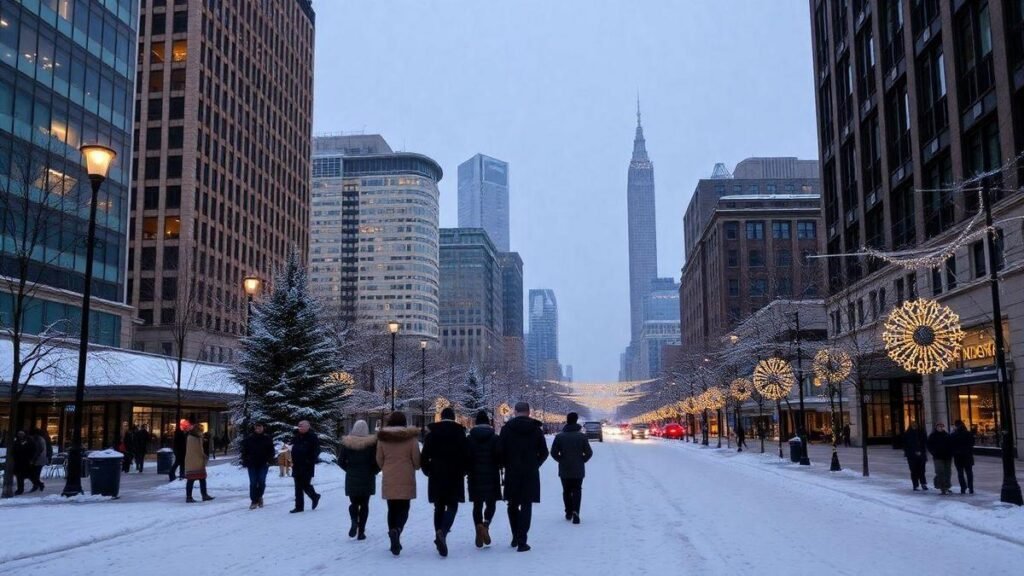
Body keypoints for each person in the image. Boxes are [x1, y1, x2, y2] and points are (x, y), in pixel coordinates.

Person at [499, 401, 548, 552]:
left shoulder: (507, 429)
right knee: (526, 504)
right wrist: (535, 463)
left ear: (514, 412)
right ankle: (522, 539)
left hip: (512, 471)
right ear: (529, 412)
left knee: (512, 504)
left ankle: (515, 534)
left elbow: (500, 451)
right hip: (530, 472)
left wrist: (506, 464)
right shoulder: (536, 429)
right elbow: (544, 452)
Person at [421, 407, 469, 557]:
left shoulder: (432, 433)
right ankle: (443, 531)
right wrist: (464, 471)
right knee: (452, 505)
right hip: (455, 474)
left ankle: (438, 533)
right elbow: (467, 454)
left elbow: (424, 456)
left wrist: (427, 470)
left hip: (436, 473)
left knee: (439, 506)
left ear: (441, 417)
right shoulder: (460, 433)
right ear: (454, 418)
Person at [376, 411, 421, 556]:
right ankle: (398, 530)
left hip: (389, 476)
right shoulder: (411, 439)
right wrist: (415, 466)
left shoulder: (383, 438)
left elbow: (379, 459)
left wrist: (386, 467)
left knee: (392, 509)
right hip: (406, 476)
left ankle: (393, 538)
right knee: (404, 508)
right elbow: (416, 460)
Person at [338, 419, 379, 540]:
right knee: (365, 505)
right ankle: (361, 532)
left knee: (354, 503)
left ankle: (354, 520)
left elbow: (340, 461)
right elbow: (377, 461)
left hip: (352, 477)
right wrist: (374, 471)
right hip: (367, 477)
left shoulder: (347, 443)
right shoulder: (372, 444)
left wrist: (349, 470)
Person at [466, 410, 501, 548]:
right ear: (488, 422)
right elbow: (499, 456)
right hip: (491, 475)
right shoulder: (494, 438)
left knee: (477, 504)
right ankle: (486, 525)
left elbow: (466, 457)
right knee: (491, 503)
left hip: (474, 475)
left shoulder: (470, 438)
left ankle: (478, 526)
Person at [550, 412, 593, 525]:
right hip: (578, 468)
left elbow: (553, 452)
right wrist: (582, 460)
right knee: (577, 489)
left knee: (566, 490)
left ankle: (568, 511)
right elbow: (589, 452)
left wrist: (561, 459)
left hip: (564, 468)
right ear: (576, 421)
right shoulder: (582, 437)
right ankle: (576, 512)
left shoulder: (559, 437)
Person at [240, 422, 275, 509]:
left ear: (263, 428)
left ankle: (259, 496)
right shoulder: (249, 439)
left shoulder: (267, 439)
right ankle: (254, 501)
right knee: (253, 483)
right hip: (252, 464)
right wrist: (245, 460)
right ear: (254, 428)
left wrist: (269, 460)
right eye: (257, 428)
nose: (258, 429)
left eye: (260, 427)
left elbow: (271, 451)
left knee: (261, 481)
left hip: (263, 464)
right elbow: (244, 451)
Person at [289, 420, 321, 513]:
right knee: (297, 486)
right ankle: (299, 507)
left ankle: (314, 496)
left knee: (305, 484)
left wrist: (310, 460)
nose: (300, 427)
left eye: (302, 426)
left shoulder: (312, 437)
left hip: (307, 465)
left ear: (308, 427)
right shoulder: (296, 436)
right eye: (299, 426)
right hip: (296, 464)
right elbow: (290, 446)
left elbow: (317, 450)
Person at [184, 424, 214, 502]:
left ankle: (189, 497)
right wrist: (204, 456)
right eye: (201, 430)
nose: (202, 431)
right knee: (202, 479)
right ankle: (204, 495)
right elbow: (200, 450)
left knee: (191, 479)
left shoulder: (189, 437)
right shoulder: (198, 438)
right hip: (198, 461)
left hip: (190, 461)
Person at [927, 422, 953, 495]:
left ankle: (947, 486)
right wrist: (934, 452)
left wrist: (951, 452)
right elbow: (929, 445)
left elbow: (951, 445)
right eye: (939, 426)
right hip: (938, 457)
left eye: (942, 426)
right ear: (936, 427)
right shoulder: (933, 436)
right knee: (940, 472)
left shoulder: (947, 435)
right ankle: (942, 488)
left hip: (947, 457)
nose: (940, 428)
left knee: (947, 472)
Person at [950, 419, 975, 495]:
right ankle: (971, 488)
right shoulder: (968, 433)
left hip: (958, 456)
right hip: (967, 455)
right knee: (969, 472)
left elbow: (951, 445)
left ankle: (963, 488)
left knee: (960, 473)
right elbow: (972, 443)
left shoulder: (954, 435)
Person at [903, 421, 928, 491]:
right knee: (914, 470)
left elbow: (925, 443)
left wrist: (921, 452)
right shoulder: (907, 434)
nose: (914, 426)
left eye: (915, 425)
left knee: (922, 470)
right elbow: (905, 446)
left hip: (921, 455)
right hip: (911, 456)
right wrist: (913, 452)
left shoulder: (921, 433)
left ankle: (923, 484)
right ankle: (915, 485)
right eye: (913, 425)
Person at [11, 430, 34, 495]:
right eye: (19, 434)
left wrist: (30, 458)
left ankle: (36, 484)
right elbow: (13, 450)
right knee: (19, 477)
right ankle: (20, 489)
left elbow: (32, 450)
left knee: (27, 475)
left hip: (25, 461)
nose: (20, 435)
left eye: (21, 434)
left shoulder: (28, 441)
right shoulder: (16, 442)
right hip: (18, 462)